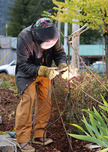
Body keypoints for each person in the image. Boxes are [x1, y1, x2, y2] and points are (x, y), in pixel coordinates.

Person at [15, 18, 69, 152]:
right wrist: (40, 70)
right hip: (28, 73)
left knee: (46, 101)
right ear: (37, 37)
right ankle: (22, 139)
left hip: (46, 72)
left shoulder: (52, 35)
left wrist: (62, 64)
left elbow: (59, 53)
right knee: (28, 101)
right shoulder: (24, 37)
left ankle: (39, 135)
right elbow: (23, 64)